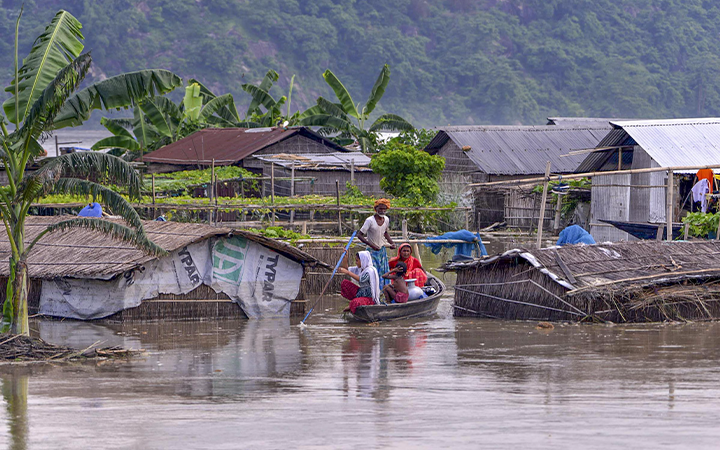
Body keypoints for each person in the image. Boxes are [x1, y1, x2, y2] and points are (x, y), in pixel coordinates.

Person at [358, 199, 396, 288]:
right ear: (376, 209)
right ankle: (373, 292)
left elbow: (385, 233)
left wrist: (392, 243)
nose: (382, 211)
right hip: (371, 251)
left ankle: (384, 291)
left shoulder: (386, 219)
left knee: (383, 271)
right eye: (380, 209)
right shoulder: (370, 220)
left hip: (382, 250)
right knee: (373, 272)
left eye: (384, 209)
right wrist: (372, 245)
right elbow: (360, 235)